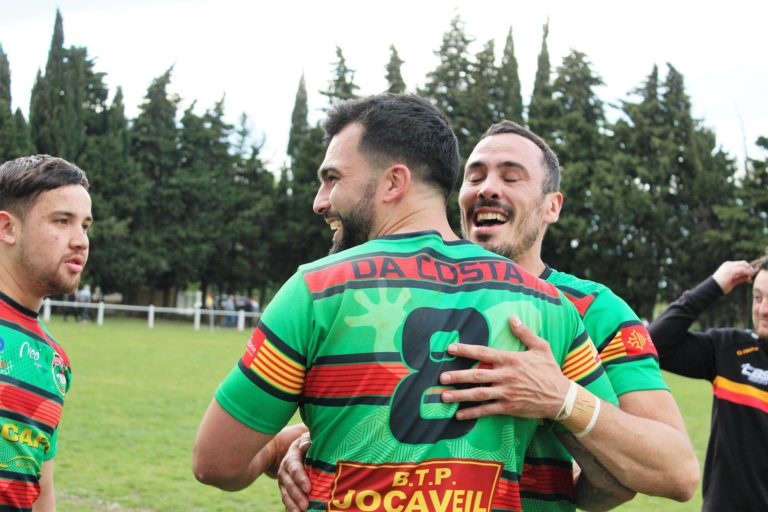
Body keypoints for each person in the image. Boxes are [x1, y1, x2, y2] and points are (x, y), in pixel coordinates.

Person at [193, 94, 618, 511]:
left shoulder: (318, 288)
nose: (320, 201)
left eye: (333, 178)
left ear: (394, 182)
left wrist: (279, 451)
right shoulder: (548, 304)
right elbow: (614, 474)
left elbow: (216, 464)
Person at [277, 120, 699, 512]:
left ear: (552, 206)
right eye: (475, 177)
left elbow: (677, 473)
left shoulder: (592, 309)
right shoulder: (398, 295)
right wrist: (307, 446)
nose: (487, 189)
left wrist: (562, 399)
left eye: (511, 177)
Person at [0, 154, 92, 511]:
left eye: (85, 226)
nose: (81, 241)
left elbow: (40, 490)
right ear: (7, 228)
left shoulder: (54, 362)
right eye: (62, 221)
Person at [649, 255, 768, 511]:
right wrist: (713, 285)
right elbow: (654, 344)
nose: (763, 310)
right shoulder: (730, 349)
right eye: (758, 298)